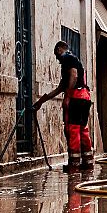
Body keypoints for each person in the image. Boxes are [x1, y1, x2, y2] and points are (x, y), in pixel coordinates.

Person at [35, 41, 94, 172]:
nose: (57, 58)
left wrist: (67, 97)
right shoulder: (73, 61)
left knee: (72, 130)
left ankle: (74, 165)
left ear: (60, 48)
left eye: (57, 53)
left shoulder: (68, 58)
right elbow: (60, 88)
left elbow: (74, 75)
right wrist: (42, 101)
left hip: (76, 98)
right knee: (82, 130)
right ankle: (88, 163)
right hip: (85, 97)